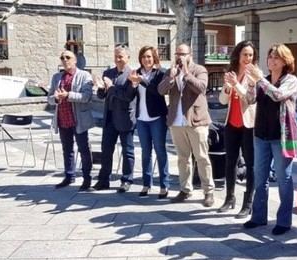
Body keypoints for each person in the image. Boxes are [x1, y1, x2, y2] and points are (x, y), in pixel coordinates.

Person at [243, 43, 297, 235]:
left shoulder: (290, 80)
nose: (271, 60)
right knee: (260, 177)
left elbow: (278, 95)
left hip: (281, 136)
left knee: (284, 179)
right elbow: (250, 100)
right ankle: (258, 217)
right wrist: (251, 83)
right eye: (270, 56)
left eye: (276, 57)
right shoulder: (262, 80)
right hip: (260, 135)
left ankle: (284, 221)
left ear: (285, 61)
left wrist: (260, 80)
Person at [158, 43, 215, 207]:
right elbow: (161, 90)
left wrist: (187, 74)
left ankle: (208, 191)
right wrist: (171, 78)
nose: (179, 57)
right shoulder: (171, 71)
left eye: (183, 54)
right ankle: (185, 189)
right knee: (183, 158)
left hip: (196, 120)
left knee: (202, 157)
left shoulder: (199, 69)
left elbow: (202, 88)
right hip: (176, 121)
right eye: (177, 54)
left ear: (190, 55)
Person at [217, 40, 257, 219]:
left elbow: (250, 99)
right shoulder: (231, 73)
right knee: (230, 162)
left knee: (250, 164)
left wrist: (237, 85)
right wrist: (227, 86)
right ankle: (229, 198)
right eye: (245, 54)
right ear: (238, 56)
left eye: (250, 55)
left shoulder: (256, 75)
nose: (248, 58)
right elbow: (222, 101)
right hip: (231, 123)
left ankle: (248, 203)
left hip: (248, 125)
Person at [47, 50, 94, 191]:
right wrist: (55, 98)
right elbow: (49, 98)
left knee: (83, 149)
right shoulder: (57, 77)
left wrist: (68, 95)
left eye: (68, 57)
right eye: (62, 58)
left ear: (75, 60)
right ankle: (69, 175)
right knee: (67, 149)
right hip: (63, 118)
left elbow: (86, 96)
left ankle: (87, 178)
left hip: (78, 118)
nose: (65, 60)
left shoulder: (84, 75)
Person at [92, 45, 136, 192]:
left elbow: (127, 96)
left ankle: (126, 180)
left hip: (124, 118)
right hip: (109, 118)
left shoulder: (132, 74)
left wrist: (111, 87)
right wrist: (100, 88)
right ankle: (103, 180)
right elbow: (102, 96)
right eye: (116, 56)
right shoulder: (108, 73)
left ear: (128, 58)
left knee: (127, 151)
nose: (117, 59)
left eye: (121, 56)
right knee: (106, 150)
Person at [128, 46, 170, 198]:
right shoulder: (136, 73)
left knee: (160, 151)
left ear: (154, 59)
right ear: (140, 58)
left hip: (157, 117)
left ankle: (164, 185)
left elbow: (157, 91)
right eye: (144, 57)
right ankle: (146, 184)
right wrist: (132, 85)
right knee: (146, 153)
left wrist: (142, 81)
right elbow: (131, 96)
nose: (147, 59)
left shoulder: (160, 73)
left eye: (149, 57)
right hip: (141, 118)